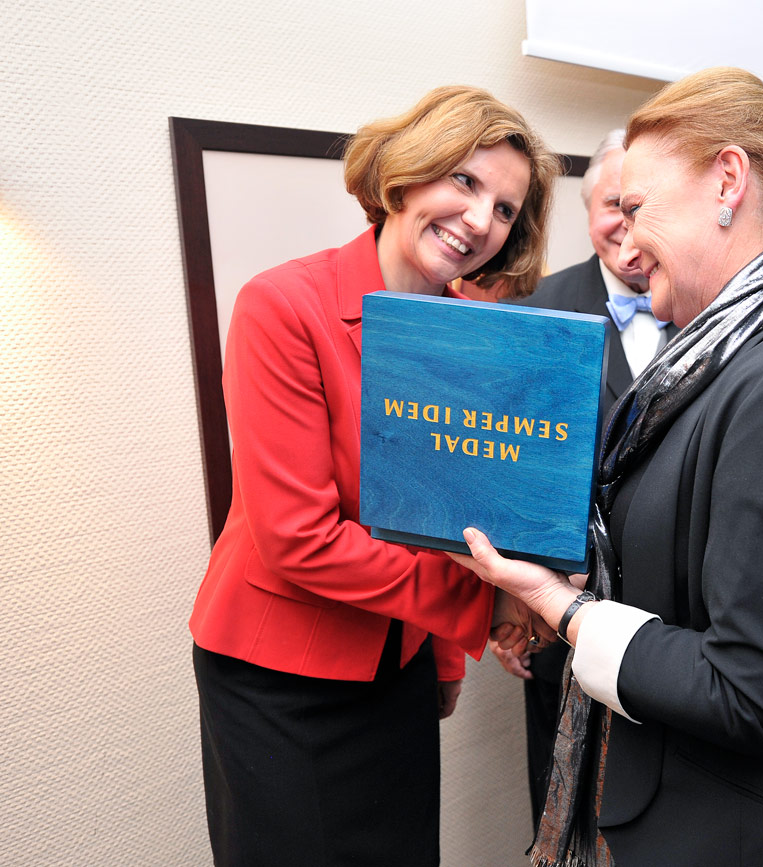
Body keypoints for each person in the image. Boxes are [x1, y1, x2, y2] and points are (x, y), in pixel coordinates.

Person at [453, 66, 763, 867]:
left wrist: (563, 609)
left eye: (636, 208)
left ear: (728, 182)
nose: (624, 242)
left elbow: (748, 690)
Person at [188, 85, 560, 865]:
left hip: (399, 664)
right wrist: (486, 605)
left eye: (504, 208)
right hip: (280, 679)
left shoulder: (469, 327)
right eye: (464, 181)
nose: (480, 220)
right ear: (406, 173)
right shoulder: (282, 306)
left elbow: (448, 512)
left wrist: (442, 654)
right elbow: (299, 538)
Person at [503, 129, 677, 827]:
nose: (629, 225)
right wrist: (514, 605)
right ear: (586, 209)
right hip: (563, 620)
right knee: (564, 808)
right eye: (614, 205)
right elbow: (511, 476)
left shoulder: (717, 302)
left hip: (684, 629)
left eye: (644, 206)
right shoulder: (532, 309)